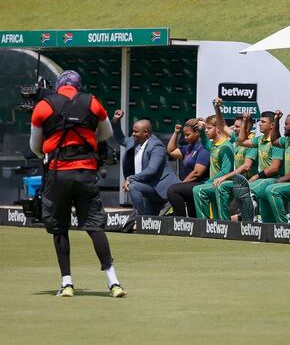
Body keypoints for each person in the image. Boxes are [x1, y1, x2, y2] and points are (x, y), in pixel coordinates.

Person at [29, 70, 126, 298]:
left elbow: (36, 146)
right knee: (94, 225)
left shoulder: (43, 106)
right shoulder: (92, 102)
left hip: (57, 172)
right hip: (86, 171)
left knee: (59, 228)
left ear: (58, 86)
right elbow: (105, 134)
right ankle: (114, 283)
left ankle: (67, 283)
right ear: (78, 86)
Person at [111, 110, 179, 229]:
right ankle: (142, 220)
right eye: (133, 130)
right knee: (148, 225)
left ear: (146, 133)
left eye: (136, 131)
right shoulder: (134, 141)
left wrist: (131, 178)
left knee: (134, 186)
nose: (133, 134)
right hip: (150, 189)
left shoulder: (156, 146)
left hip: (162, 189)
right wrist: (116, 121)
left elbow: (152, 170)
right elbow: (120, 139)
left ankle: (138, 219)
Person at [259, 110, 290, 224]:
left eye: (286, 124)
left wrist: (278, 181)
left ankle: (283, 225)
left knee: (271, 189)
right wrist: (277, 120)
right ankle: (268, 224)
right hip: (289, 183)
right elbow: (274, 141)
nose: (284, 127)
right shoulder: (287, 139)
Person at [238, 111, 284, 222]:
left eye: (263, 122)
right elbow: (242, 141)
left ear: (272, 125)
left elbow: (274, 168)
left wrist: (255, 177)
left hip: (275, 179)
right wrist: (244, 121)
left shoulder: (276, 142)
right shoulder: (260, 139)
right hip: (263, 180)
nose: (259, 124)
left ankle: (250, 217)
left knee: (248, 188)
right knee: (267, 219)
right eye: (259, 121)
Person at [192, 115, 235, 219]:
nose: (207, 131)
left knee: (198, 190)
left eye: (209, 128)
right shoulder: (214, 145)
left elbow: (226, 171)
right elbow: (205, 143)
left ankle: (203, 225)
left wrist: (208, 182)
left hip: (223, 184)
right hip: (215, 183)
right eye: (206, 128)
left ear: (218, 128)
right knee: (216, 216)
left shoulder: (225, 147)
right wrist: (201, 131)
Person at [166, 118, 210, 217]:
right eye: (184, 134)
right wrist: (176, 133)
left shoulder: (204, 147)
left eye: (188, 135)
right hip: (191, 185)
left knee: (173, 190)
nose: (185, 137)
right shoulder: (189, 147)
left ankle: (180, 221)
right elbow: (171, 151)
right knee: (193, 215)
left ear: (197, 133)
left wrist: (181, 184)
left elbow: (197, 173)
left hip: (202, 184)